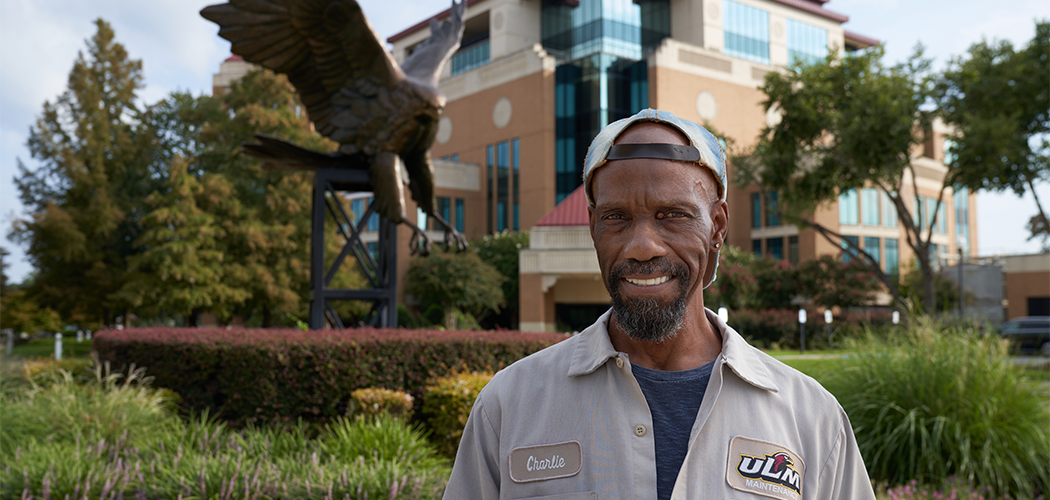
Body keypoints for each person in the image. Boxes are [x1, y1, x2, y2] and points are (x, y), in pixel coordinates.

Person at [442, 109, 876, 500]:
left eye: (673, 215)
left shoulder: (812, 418)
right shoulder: (509, 406)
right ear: (593, 227)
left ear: (717, 226)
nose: (642, 246)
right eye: (617, 217)